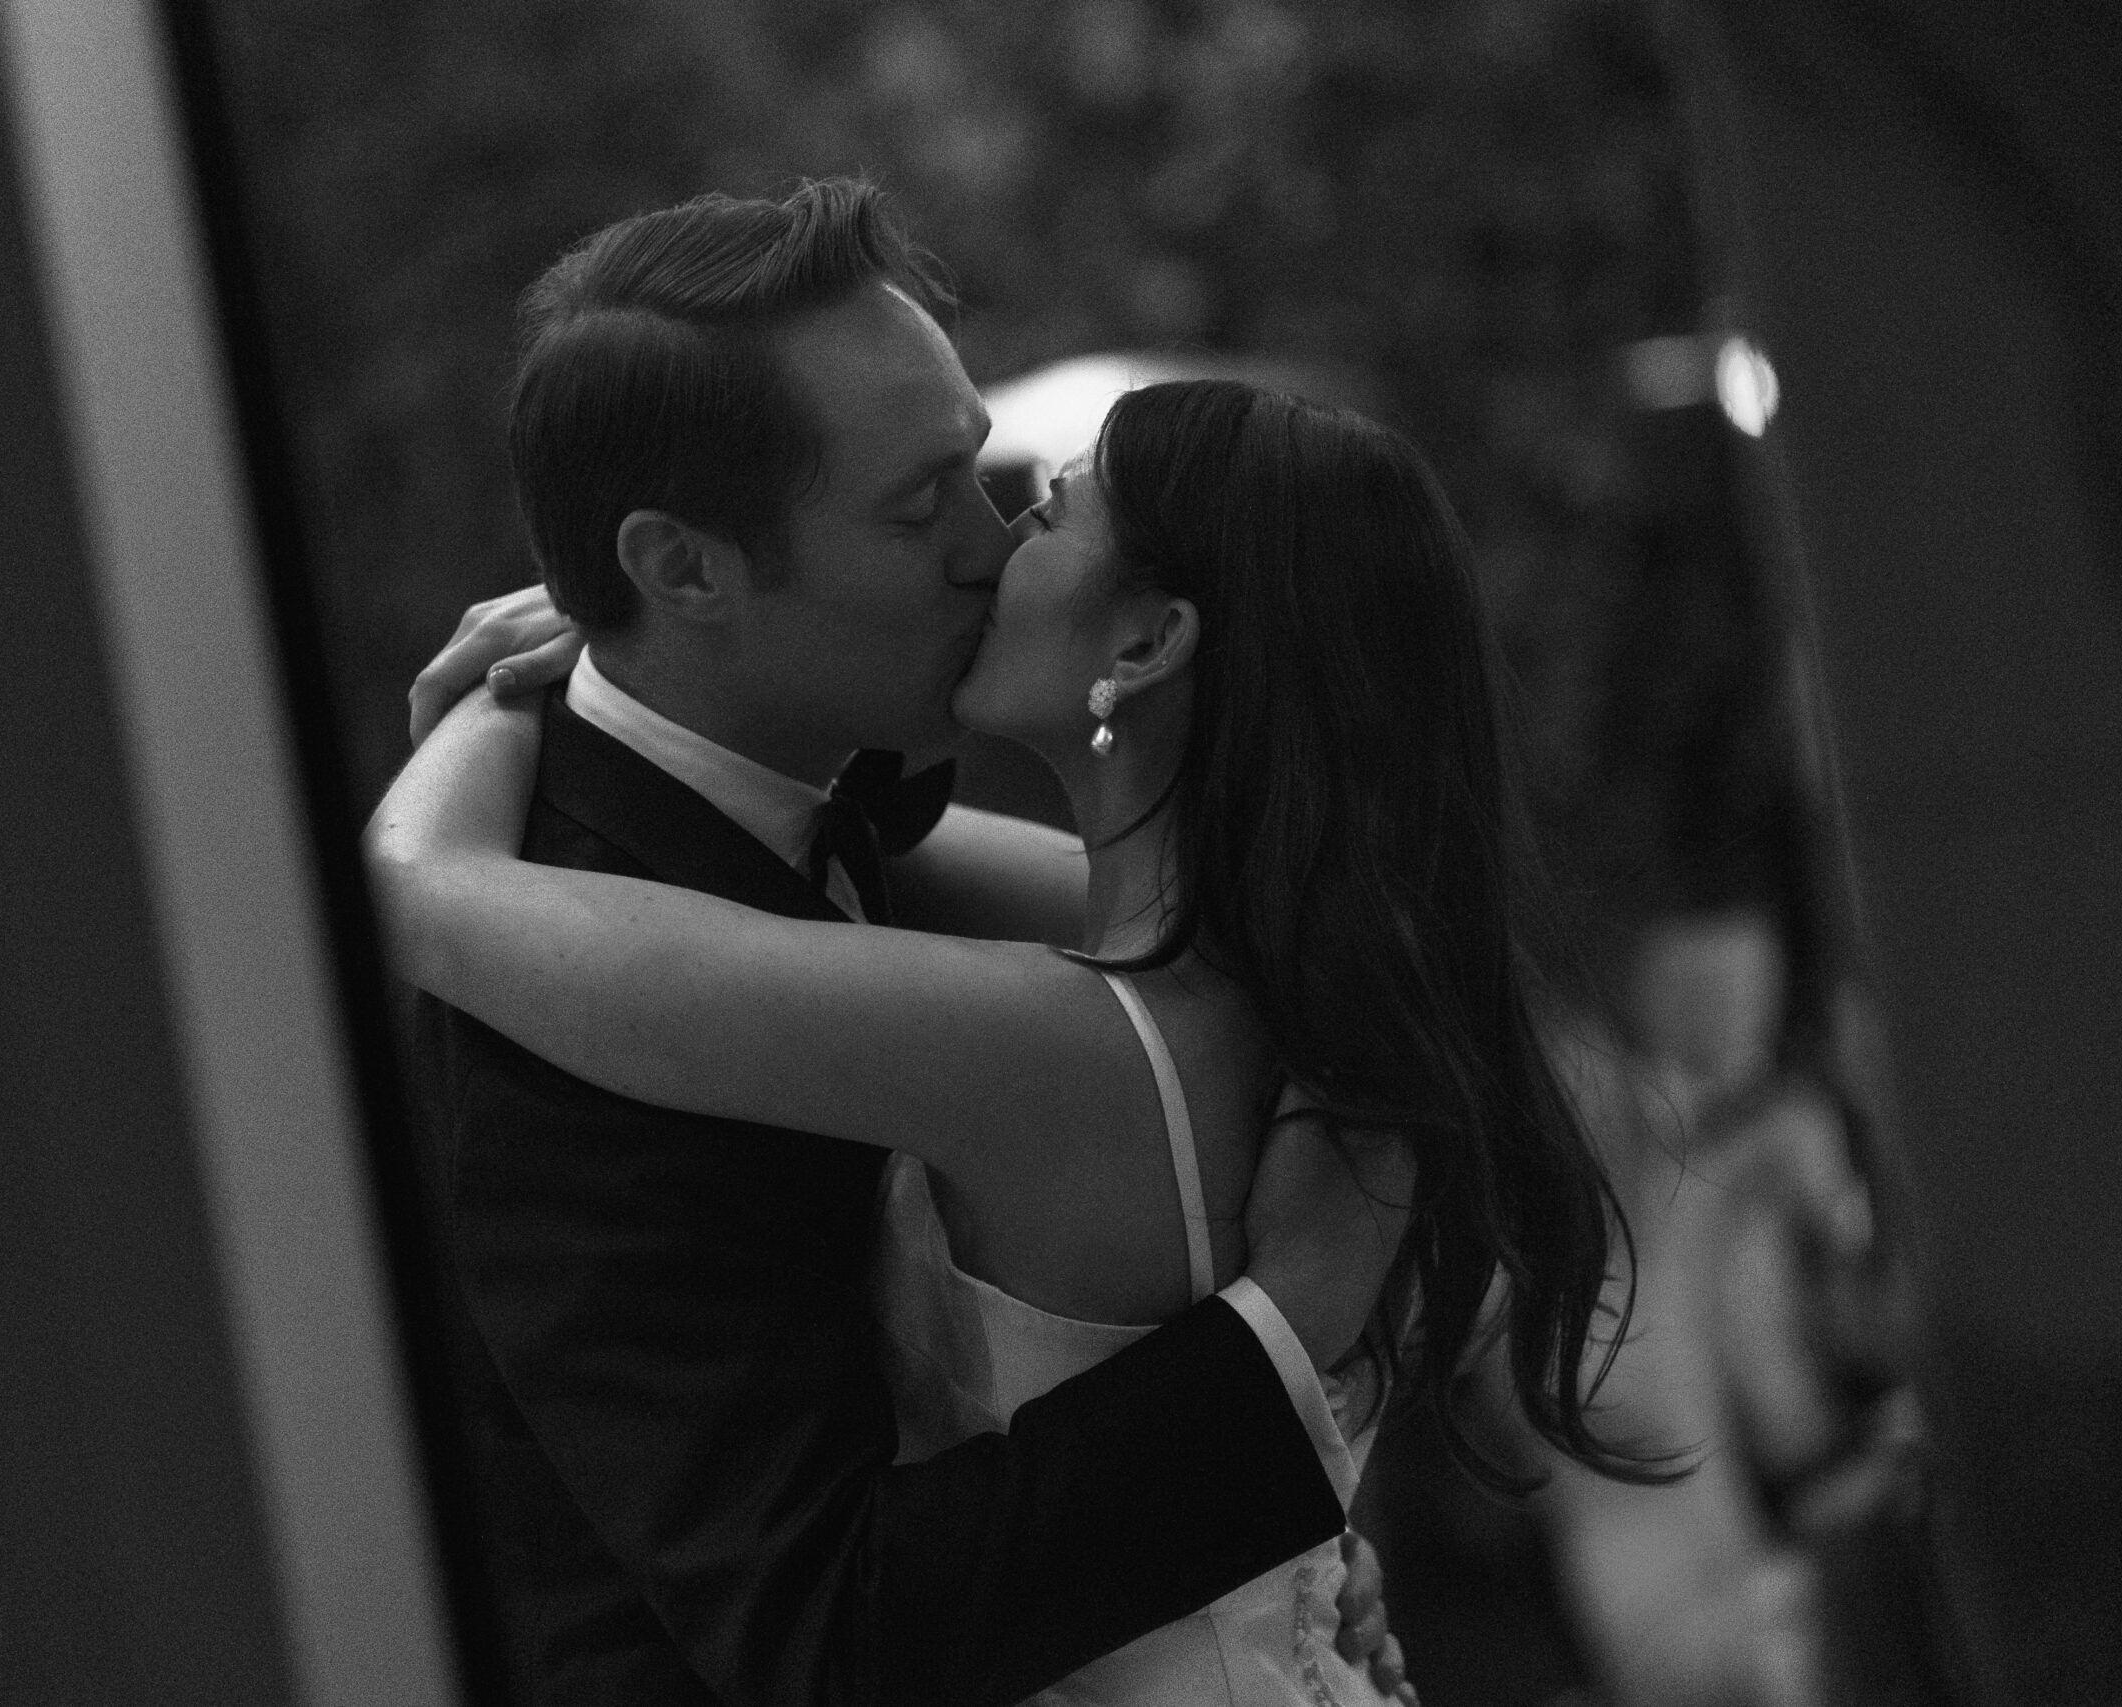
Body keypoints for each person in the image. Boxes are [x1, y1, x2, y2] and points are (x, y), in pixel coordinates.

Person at [377, 208, 1659, 1697]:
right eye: (929, 509)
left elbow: (420, 888)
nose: (990, 555)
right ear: (685, 568)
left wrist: (457, 777)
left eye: (1019, 499)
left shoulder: (999, 971)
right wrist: (1277, 1433)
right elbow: (820, 1623)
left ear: (1149, 649)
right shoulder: (594, 977)